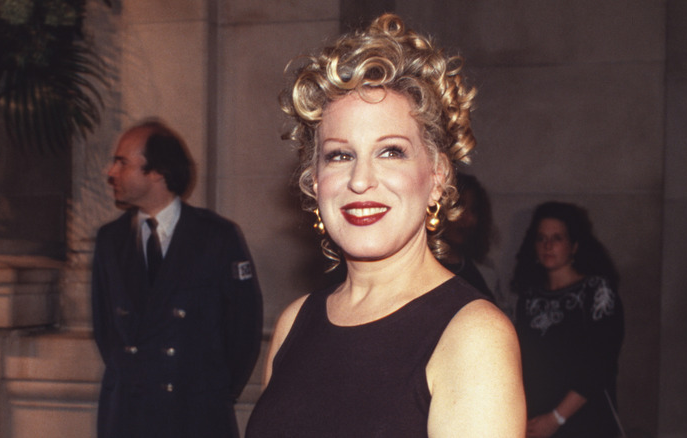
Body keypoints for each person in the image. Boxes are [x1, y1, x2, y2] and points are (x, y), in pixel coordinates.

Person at [246, 13, 525, 437]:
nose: (360, 180)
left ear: (437, 178)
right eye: (340, 155)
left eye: (391, 152)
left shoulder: (473, 335)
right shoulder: (294, 322)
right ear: (315, 181)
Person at [91, 119, 263, 438]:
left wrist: (213, 392)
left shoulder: (216, 237)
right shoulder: (110, 240)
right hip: (129, 417)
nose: (110, 172)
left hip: (195, 415)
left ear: (157, 172)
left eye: (122, 162)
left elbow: (244, 328)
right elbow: (105, 328)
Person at [510, 201, 624, 438]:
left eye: (557, 238)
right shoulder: (528, 297)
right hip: (536, 420)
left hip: (585, 422)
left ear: (574, 246)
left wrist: (556, 418)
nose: (548, 245)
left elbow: (600, 366)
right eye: (541, 238)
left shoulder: (597, 291)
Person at [441, 172, 495, 299]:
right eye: (459, 208)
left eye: (473, 210)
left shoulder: (486, 271)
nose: (469, 219)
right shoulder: (418, 271)